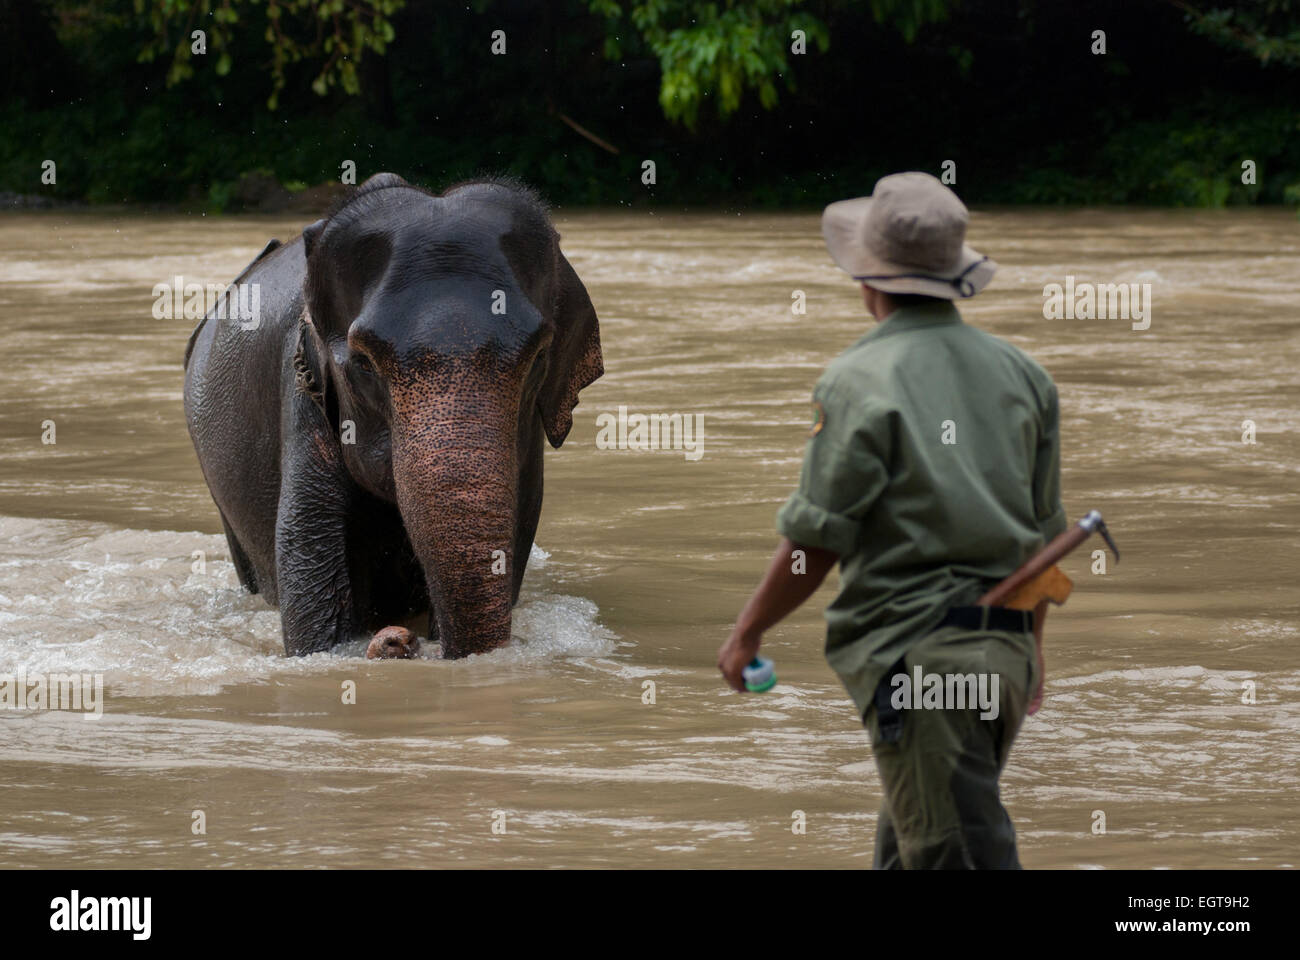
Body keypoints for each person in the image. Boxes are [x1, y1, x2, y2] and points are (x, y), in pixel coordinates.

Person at [717, 171, 1067, 869]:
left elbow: (813, 543)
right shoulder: (1025, 376)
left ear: (866, 280)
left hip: (916, 664)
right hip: (1001, 655)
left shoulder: (857, 379)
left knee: (951, 852)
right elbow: (1047, 543)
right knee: (916, 845)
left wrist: (746, 634)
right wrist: (1031, 656)